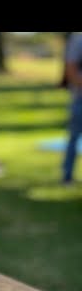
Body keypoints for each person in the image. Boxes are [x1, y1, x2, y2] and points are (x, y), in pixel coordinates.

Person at [62, 32, 82, 185]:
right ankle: (67, 177)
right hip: (80, 99)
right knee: (74, 138)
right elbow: (71, 71)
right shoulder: (78, 40)